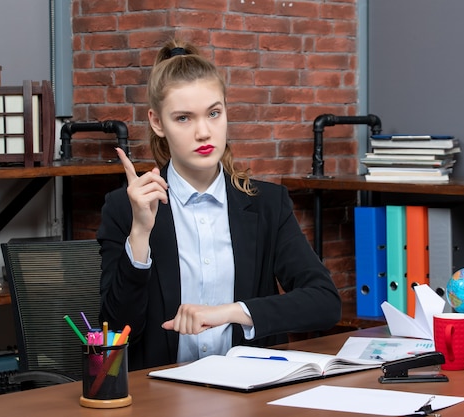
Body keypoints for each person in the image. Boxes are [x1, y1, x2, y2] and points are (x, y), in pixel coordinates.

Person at [97, 39, 342, 371]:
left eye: (214, 113)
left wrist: (230, 312)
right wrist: (140, 232)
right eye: (183, 118)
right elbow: (117, 332)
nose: (203, 132)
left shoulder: (267, 204)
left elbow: (325, 303)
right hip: (160, 397)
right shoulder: (124, 208)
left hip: (248, 393)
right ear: (157, 122)